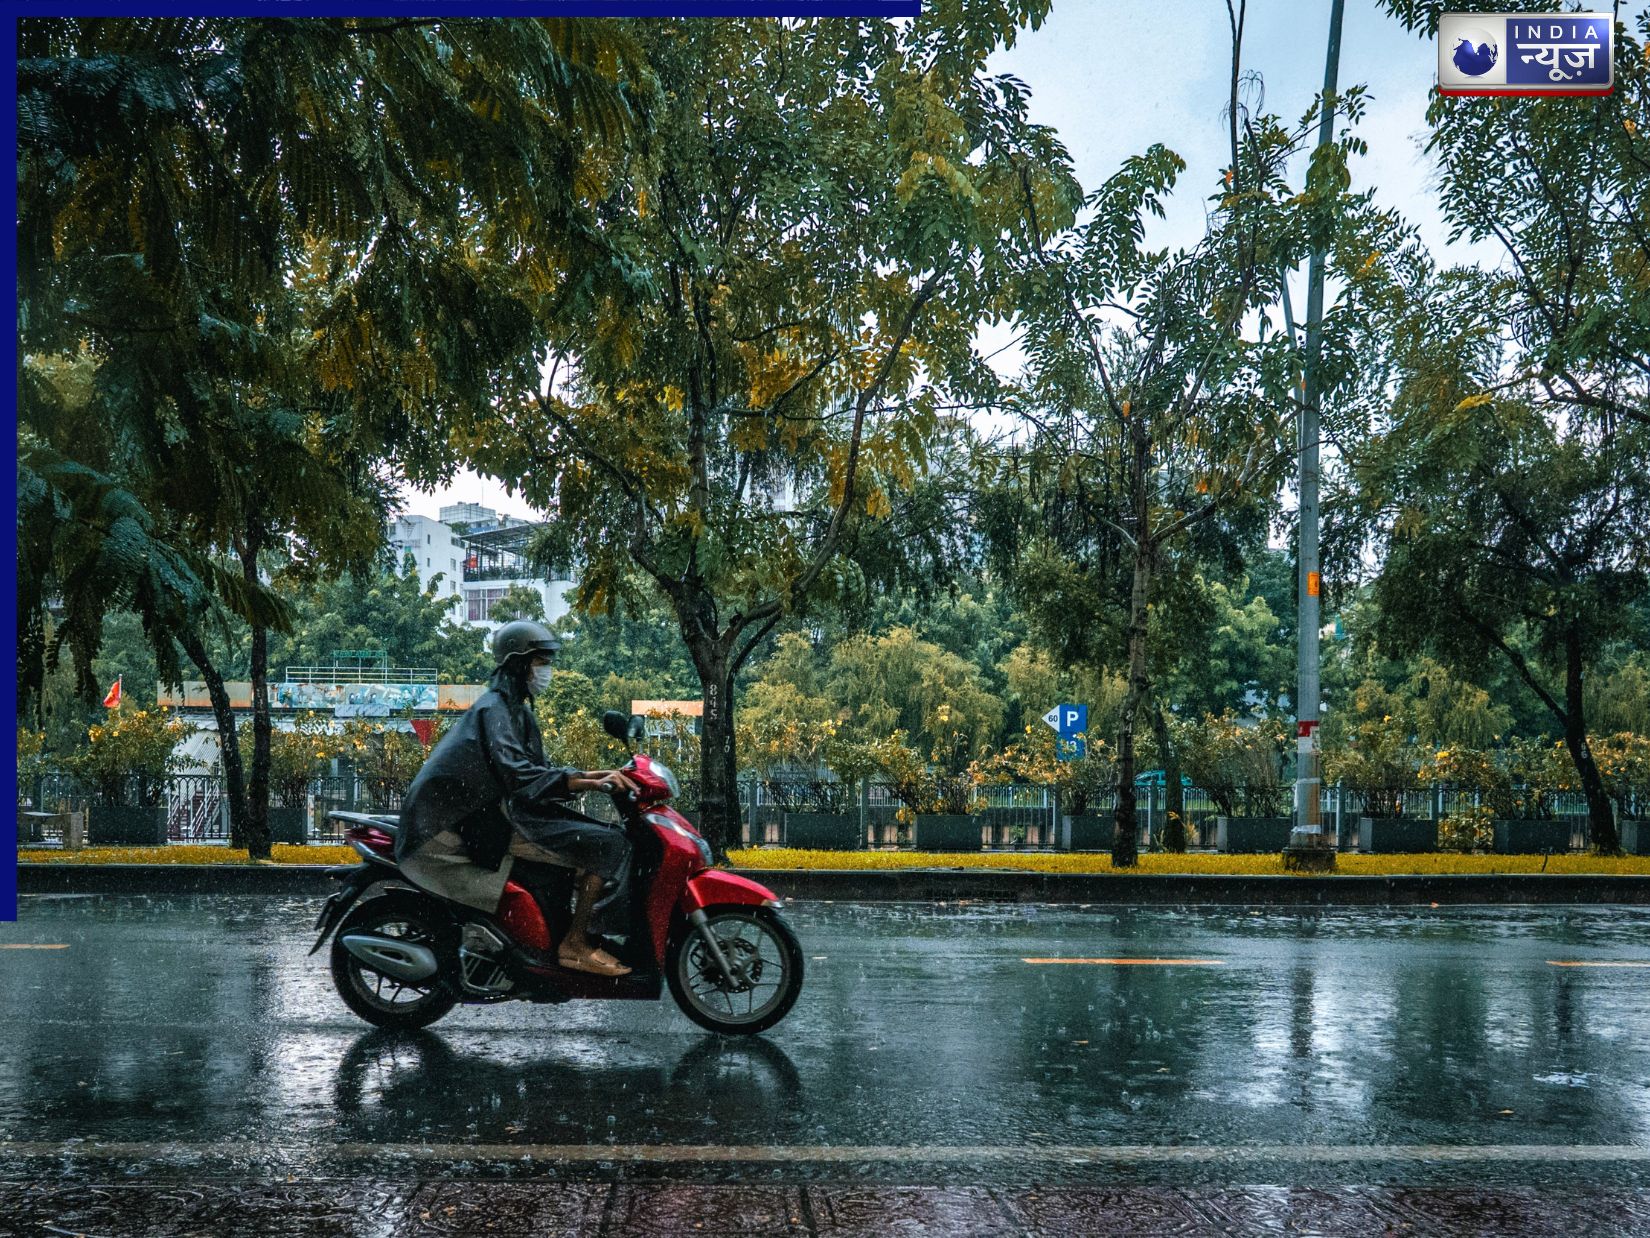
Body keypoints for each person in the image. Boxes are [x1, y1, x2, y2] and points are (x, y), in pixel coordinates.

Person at [395, 620, 639, 976]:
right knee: (605, 846)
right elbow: (520, 776)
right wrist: (587, 783)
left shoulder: (515, 710)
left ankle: (569, 930)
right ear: (519, 664)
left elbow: (537, 771)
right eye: (541, 661)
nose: (547, 671)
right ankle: (575, 945)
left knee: (603, 835)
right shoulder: (494, 709)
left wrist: (594, 776)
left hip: (499, 812)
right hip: (469, 822)